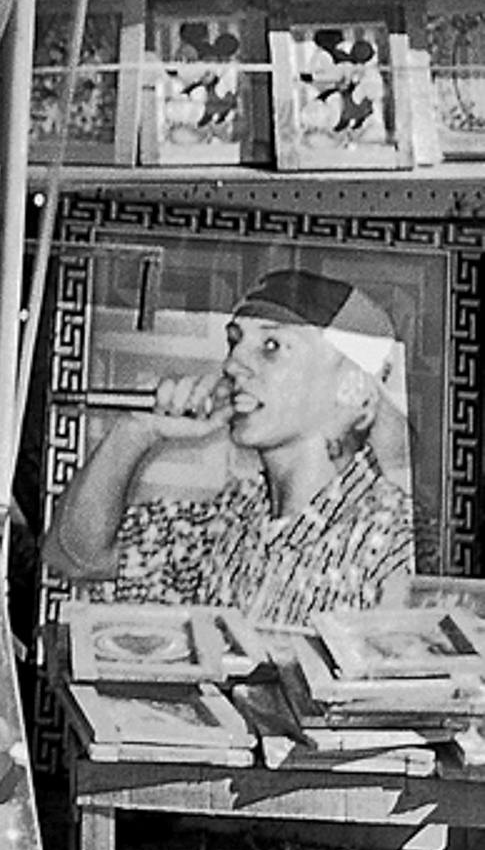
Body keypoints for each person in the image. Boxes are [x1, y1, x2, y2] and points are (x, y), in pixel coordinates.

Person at [45, 267, 416, 624]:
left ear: (352, 386)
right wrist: (137, 430)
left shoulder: (392, 539)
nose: (234, 364)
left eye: (272, 346)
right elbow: (76, 558)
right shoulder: (234, 517)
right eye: (235, 341)